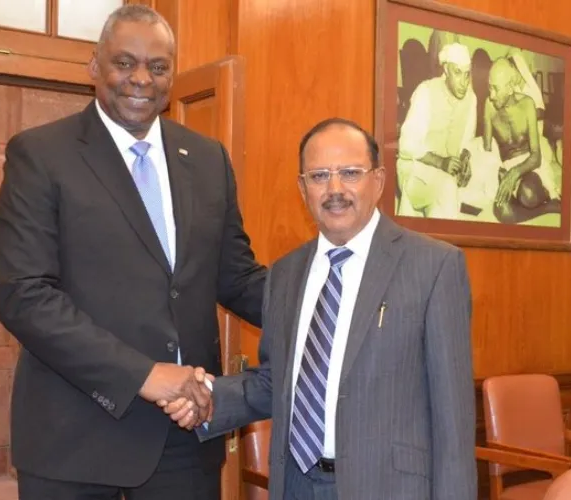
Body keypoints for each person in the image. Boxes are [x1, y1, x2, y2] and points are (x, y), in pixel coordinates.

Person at [0, 4, 266, 499]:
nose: (141, 79)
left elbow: (237, 278)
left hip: (184, 433)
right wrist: (144, 375)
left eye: (157, 67)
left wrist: (327, 298)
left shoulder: (207, 160)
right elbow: (25, 296)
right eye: (124, 63)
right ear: (95, 66)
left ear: (172, 74)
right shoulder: (40, 155)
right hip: (73, 437)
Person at [162, 118, 477, 499]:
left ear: (377, 180)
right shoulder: (285, 274)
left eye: (350, 173)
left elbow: (453, 421)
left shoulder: (433, 266)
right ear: (302, 188)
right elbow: (276, 382)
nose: (335, 189)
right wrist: (204, 394)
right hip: (297, 485)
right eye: (319, 176)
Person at [396, 42, 477, 220]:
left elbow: (467, 141)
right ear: (446, 70)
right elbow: (406, 145)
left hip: (446, 171)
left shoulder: (471, 99)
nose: (464, 82)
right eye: (457, 73)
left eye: (467, 74)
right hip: (416, 168)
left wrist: (465, 162)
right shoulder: (425, 91)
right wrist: (440, 162)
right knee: (447, 189)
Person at [484, 57, 561, 223]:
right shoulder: (489, 106)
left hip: (529, 166)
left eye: (496, 89)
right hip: (505, 166)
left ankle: (544, 200)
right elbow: (487, 148)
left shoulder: (527, 105)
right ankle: (548, 207)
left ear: (510, 88)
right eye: (489, 87)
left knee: (529, 194)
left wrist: (515, 173)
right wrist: (498, 170)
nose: (491, 95)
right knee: (501, 212)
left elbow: (536, 157)